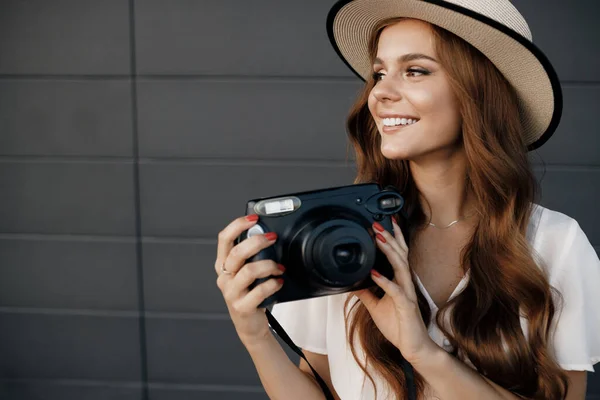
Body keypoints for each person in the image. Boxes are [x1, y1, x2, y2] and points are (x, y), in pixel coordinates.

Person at [214, 0, 600, 399]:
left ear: (480, 91)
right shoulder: (338, 237)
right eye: (379, 73)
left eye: (415, 71)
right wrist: (255, 336)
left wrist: (421, 352)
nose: (380, 92)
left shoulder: (555, 244)